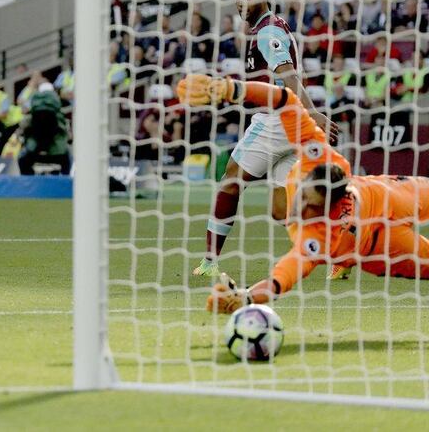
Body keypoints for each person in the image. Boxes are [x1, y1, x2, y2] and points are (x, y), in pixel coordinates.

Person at [176, 74, 429, 314]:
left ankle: (341, 262)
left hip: (384, 211)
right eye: (305, 196)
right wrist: (232, 88)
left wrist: (247, 298)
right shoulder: (319, 160)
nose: (301, 206)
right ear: (308, 176)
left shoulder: (317, 230)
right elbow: (286, 99)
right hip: (385, 230)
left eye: (312, 206)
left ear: (330, 205)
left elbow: (280, 280)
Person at [193, 0, 340, 278]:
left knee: (231, 179)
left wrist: (314, 114)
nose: (241, 2)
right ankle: (341, 248)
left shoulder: (267, 31)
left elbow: (288, 75)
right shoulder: (271, 26)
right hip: (292, 125)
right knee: (281, 211)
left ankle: (209, 261)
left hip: (277, 121)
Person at [17, 82, 70, 175]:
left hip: (34, 152)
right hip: (57, 154)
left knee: (22, 159)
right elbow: (67, 135)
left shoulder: (30, 115)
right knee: (68, 158)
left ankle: (29, 184)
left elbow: (23, 130)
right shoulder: (60, 116)